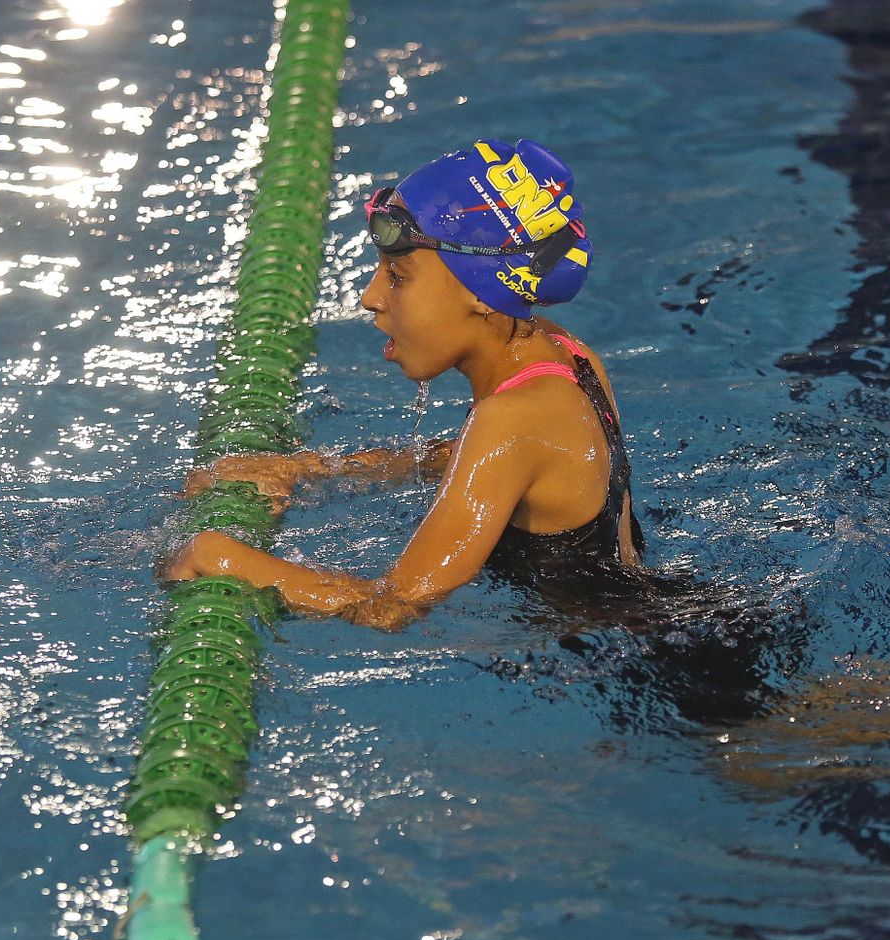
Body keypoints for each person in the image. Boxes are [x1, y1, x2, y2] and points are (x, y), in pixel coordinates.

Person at [166, 139, 644, 629]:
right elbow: (463, 461)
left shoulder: (513, 417)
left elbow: (392, 606)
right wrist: (307, 469)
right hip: (658, 622)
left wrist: (220, 556)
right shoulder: (564, 352)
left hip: (653, 677)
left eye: (397, 275)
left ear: (484, 290)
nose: (370, 296)